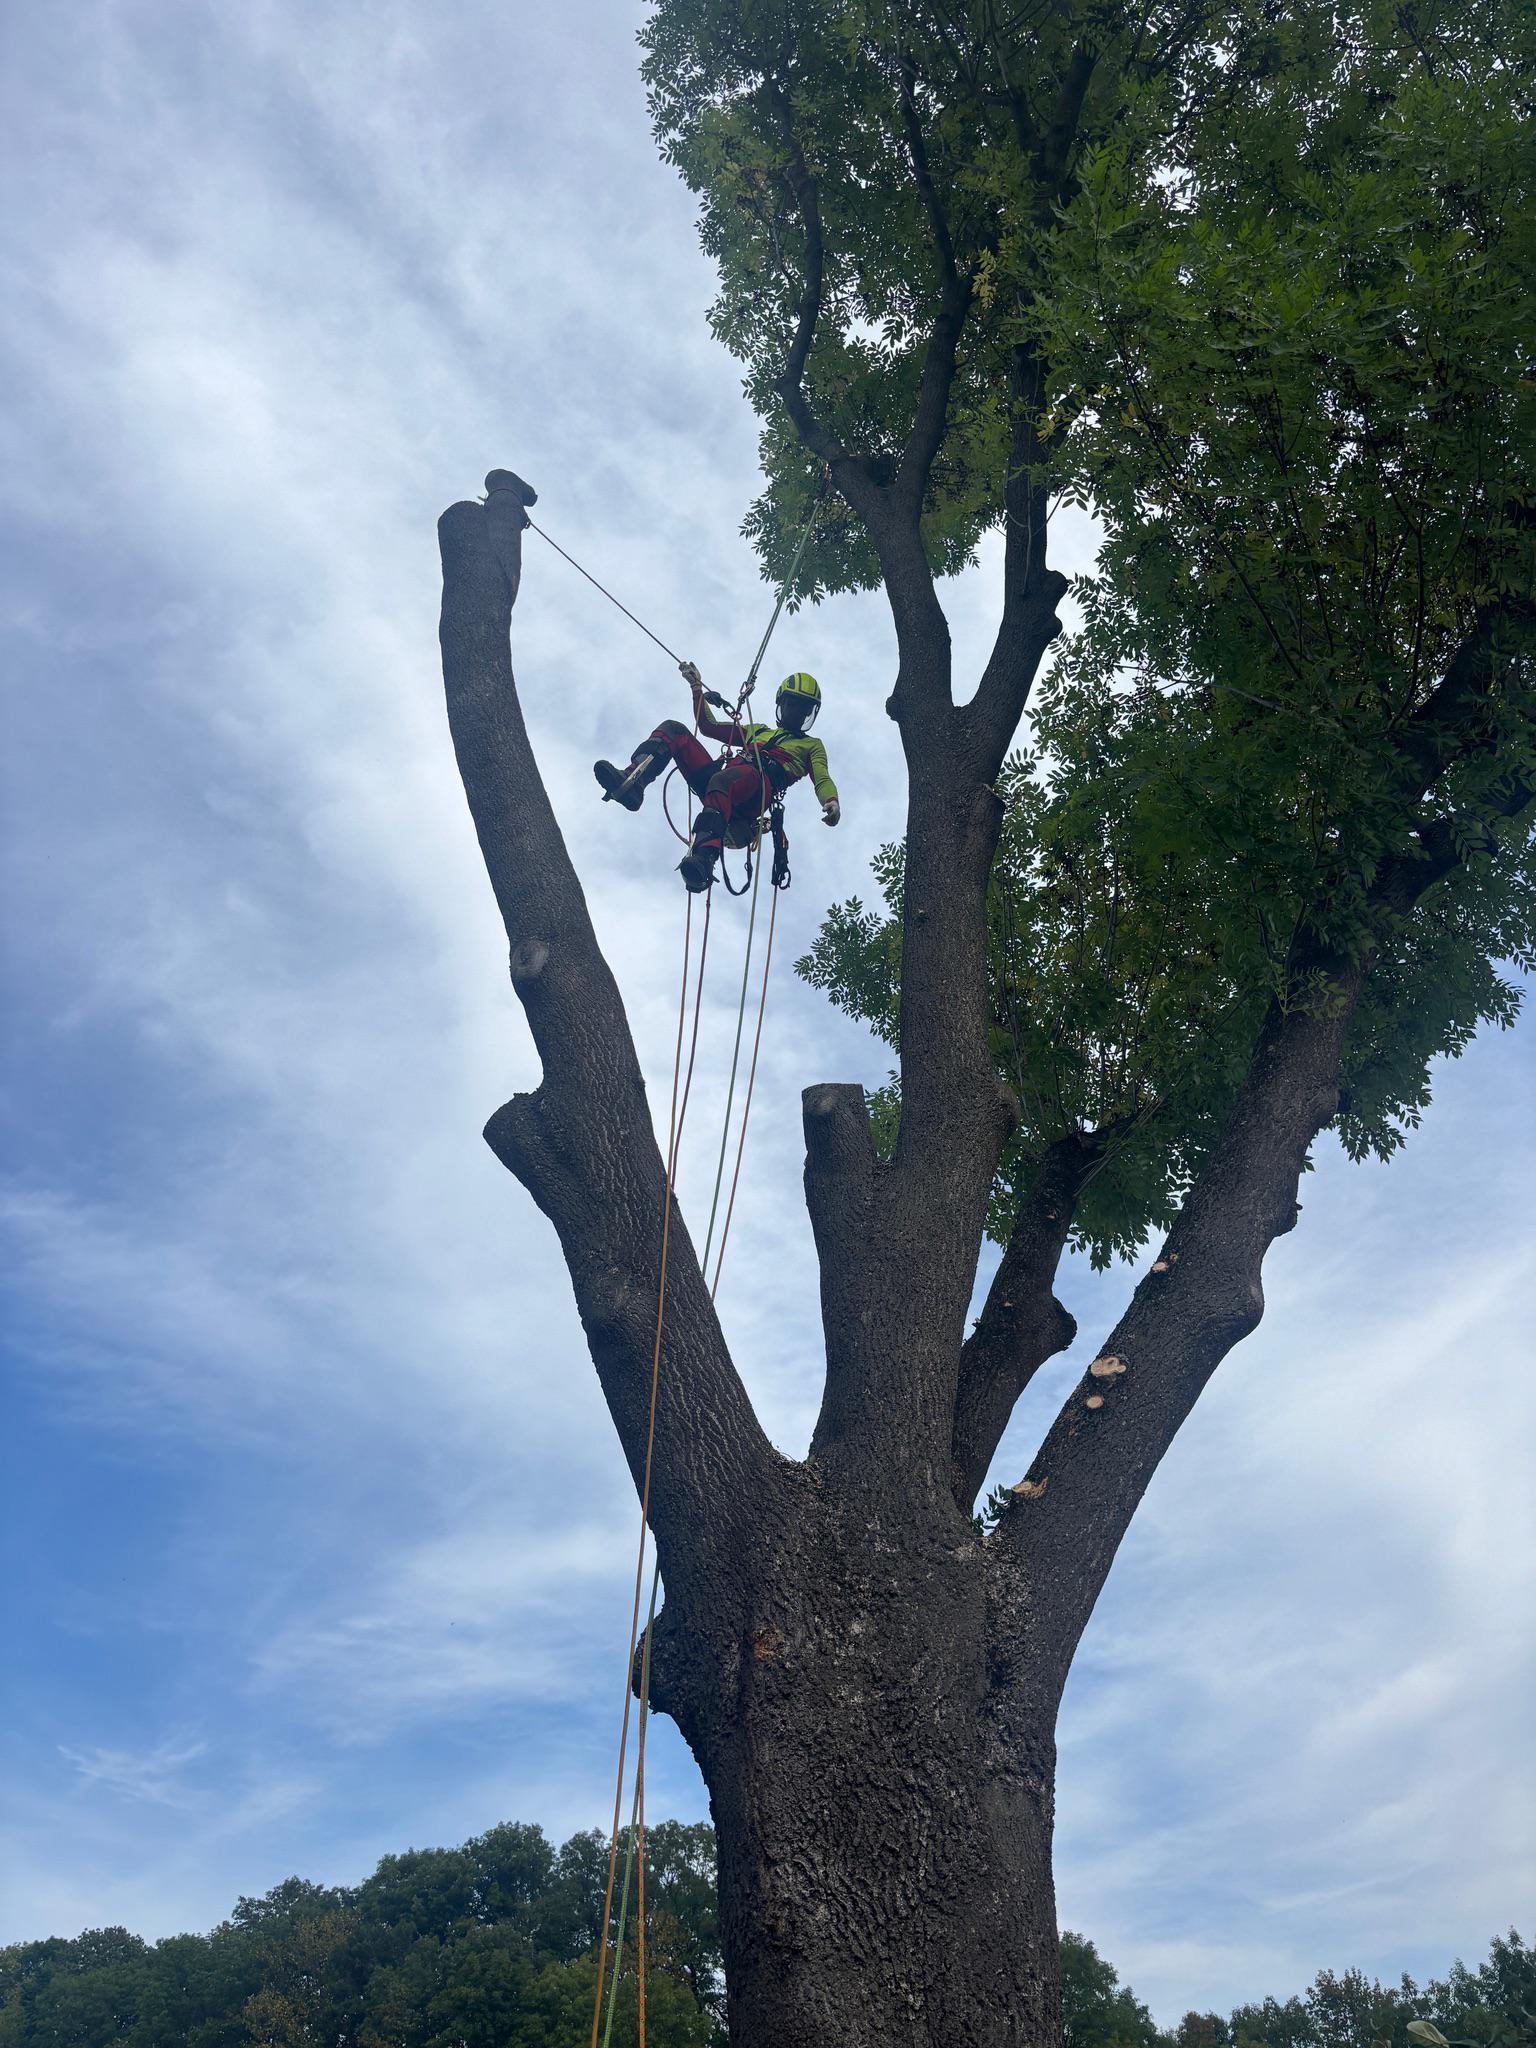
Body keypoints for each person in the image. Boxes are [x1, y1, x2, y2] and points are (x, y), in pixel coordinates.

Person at [594, 662, 840, 891]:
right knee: (674, 730)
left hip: (755, 790)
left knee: (723, 780)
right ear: (782, 704)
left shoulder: (811, 745)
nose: (796, 713)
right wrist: (696, 688)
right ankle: (633, 783)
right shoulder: (758, 730)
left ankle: (705, 858)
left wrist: (831, 800)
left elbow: (822, 778)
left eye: (803, 709)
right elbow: (708, 726)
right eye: (792, 705)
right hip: (722, 784)